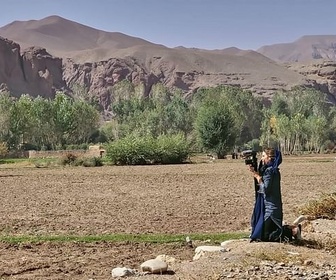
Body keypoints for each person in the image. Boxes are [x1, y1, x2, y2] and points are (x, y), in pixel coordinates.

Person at [248, 147, 302, 242]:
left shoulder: (269, 171)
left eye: (264, 156)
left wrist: (257, 177)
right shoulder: (273, 170)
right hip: (273, 207)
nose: (262, 158)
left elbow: (266, 189)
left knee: (266, 236)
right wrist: (255, 171)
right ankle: (292, 228)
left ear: (269, 158)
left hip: (271, 210)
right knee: (266, 233)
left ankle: (293, 231)